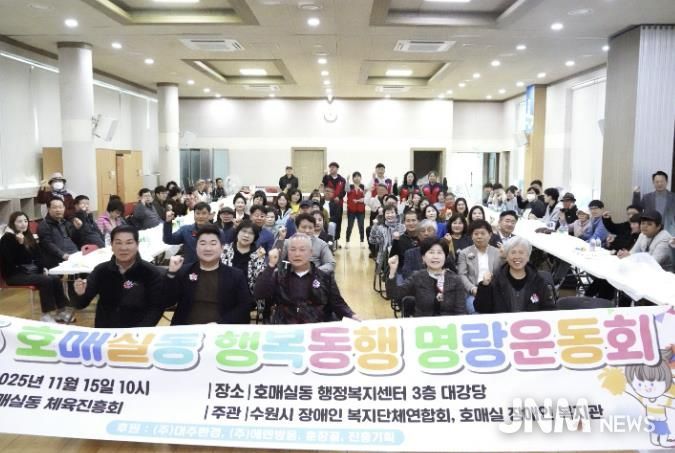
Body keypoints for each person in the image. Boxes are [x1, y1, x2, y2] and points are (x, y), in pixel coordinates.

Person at [72, 225, 164, 328]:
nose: (123, 248)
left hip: (137, 331)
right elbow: (80, 305)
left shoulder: (150, 272)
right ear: (111, 245)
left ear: (137, 245)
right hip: (106, 330)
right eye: (118, 243)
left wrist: (140, 330)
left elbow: (156, 308)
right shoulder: (101, 270)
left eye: (129, 242)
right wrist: (80, 294)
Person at [254, 234, 357, 324]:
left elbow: (338, 304)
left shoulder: (325, 277)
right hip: (285, 327)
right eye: (292, 250)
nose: (297, 254)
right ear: (287, 253)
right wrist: (271, 265)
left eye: (302, 250)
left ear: (311, 253)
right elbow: (259, 294)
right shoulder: (279, 276)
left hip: (317, 327)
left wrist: (352, 316)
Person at [165, 225, 253, 325]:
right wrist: (171, 273)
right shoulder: (184, 271)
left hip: (221, 329)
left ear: (222, 248)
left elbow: (244, 307)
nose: (207, 248)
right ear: (196, 247)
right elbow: (168, 301)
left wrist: (220, 324)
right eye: (202, 243)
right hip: (187, 328)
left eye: (213, 243)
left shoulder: (236, 275)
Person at [0, 211, 71, 323]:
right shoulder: (7, 239)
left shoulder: (28, 236)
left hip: (31, 271)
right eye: (19, 221)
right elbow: (19, 260)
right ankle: (46, 315)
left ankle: (61, 311)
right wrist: (20, 244)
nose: (23, 224)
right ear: (13, 223)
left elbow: (38, 256)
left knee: (55, 278)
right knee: (45, 280)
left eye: (25, 221)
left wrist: (43, 268)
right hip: (15, 274)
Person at [474, 237, 556, 313]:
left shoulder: (539, 281)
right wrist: (485, 286)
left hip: (531, 323)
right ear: (506, 257)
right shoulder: (495, 279)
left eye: (521, 252)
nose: (517, 256)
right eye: (513, 252)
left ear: (528, 257)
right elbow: (481, 309)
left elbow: (549, 309)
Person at [386, 238, 466, 317]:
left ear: (445, 257)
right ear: (423, 257)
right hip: (423, 323)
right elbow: (393, 294)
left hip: (449, 323)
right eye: (431, 252)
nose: (435, 256)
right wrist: (392, 271)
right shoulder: (417, 277)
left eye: (439, 253)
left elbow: (461, 311)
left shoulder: (456, 280)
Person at [457, 220, 503, 314]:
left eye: (483, 233)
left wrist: (505, 257)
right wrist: (472, 289)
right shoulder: (464, 253)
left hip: (494, 291)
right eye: (476, 234)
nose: (479, 236)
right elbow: (462, 274)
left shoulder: (498, 252)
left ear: (490, 235)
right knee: (476, 311)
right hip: (474, 292)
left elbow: (503, 272)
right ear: (471, 236)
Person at [220, 220, 266, 294]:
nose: (246, 235)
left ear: (255, 237)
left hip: (248, 296)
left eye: (251, 233)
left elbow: (260, 281)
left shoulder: (258, 254)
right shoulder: (224, 250)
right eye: (244, 231)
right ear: (237, 232)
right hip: (224, 294)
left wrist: (260, 260)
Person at [38, 198, 82, 269]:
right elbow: (47, 244)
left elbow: (75, 238)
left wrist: (78, 229)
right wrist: (62, 255)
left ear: (64, 208)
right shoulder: (44, 225)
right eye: (54, 207)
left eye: (60, 207)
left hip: (74, 254)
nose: (58, 210)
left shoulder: (66, 222)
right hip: (59, 258)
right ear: (48, 209)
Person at [369, 205, 405, 270]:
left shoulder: (402, 227)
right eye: (387, 213)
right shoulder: (381, 228)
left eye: (392, 212)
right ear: (384, 215)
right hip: (384, 259)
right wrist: (374, 228)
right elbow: (372, 241)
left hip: (400, 258)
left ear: (396, 214)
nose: (390, 215)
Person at [346, 171, 366, 246]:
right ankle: (347, 241)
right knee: (350, 226)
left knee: (361, 226)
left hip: (361, 210)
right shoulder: (350, 186)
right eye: (355, 176)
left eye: (358, 176)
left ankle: (362, 241)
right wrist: (347, 180)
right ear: (353, 178)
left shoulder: (363, 186)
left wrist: (359, 200)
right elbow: (346, 190)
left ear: (361, 178)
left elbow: (365, 197)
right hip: (351, 210)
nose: (357, 178)